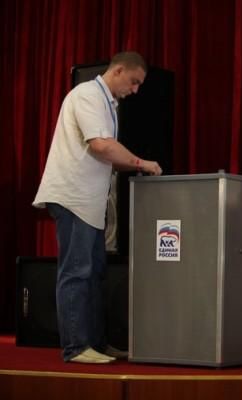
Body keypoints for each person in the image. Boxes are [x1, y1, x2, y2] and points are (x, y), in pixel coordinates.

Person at [32, 51, 163, 364]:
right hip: (74, 198)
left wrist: (133, 163)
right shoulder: (87, 95)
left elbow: (107, 153)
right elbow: (102, 146)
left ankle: (96, 344)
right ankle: (76, 347)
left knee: (94, 274)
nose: (135, 90)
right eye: (134, 81)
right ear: (118, 71)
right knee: (77, 273)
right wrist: (142, 163)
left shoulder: (108, 103)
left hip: (88, 201)